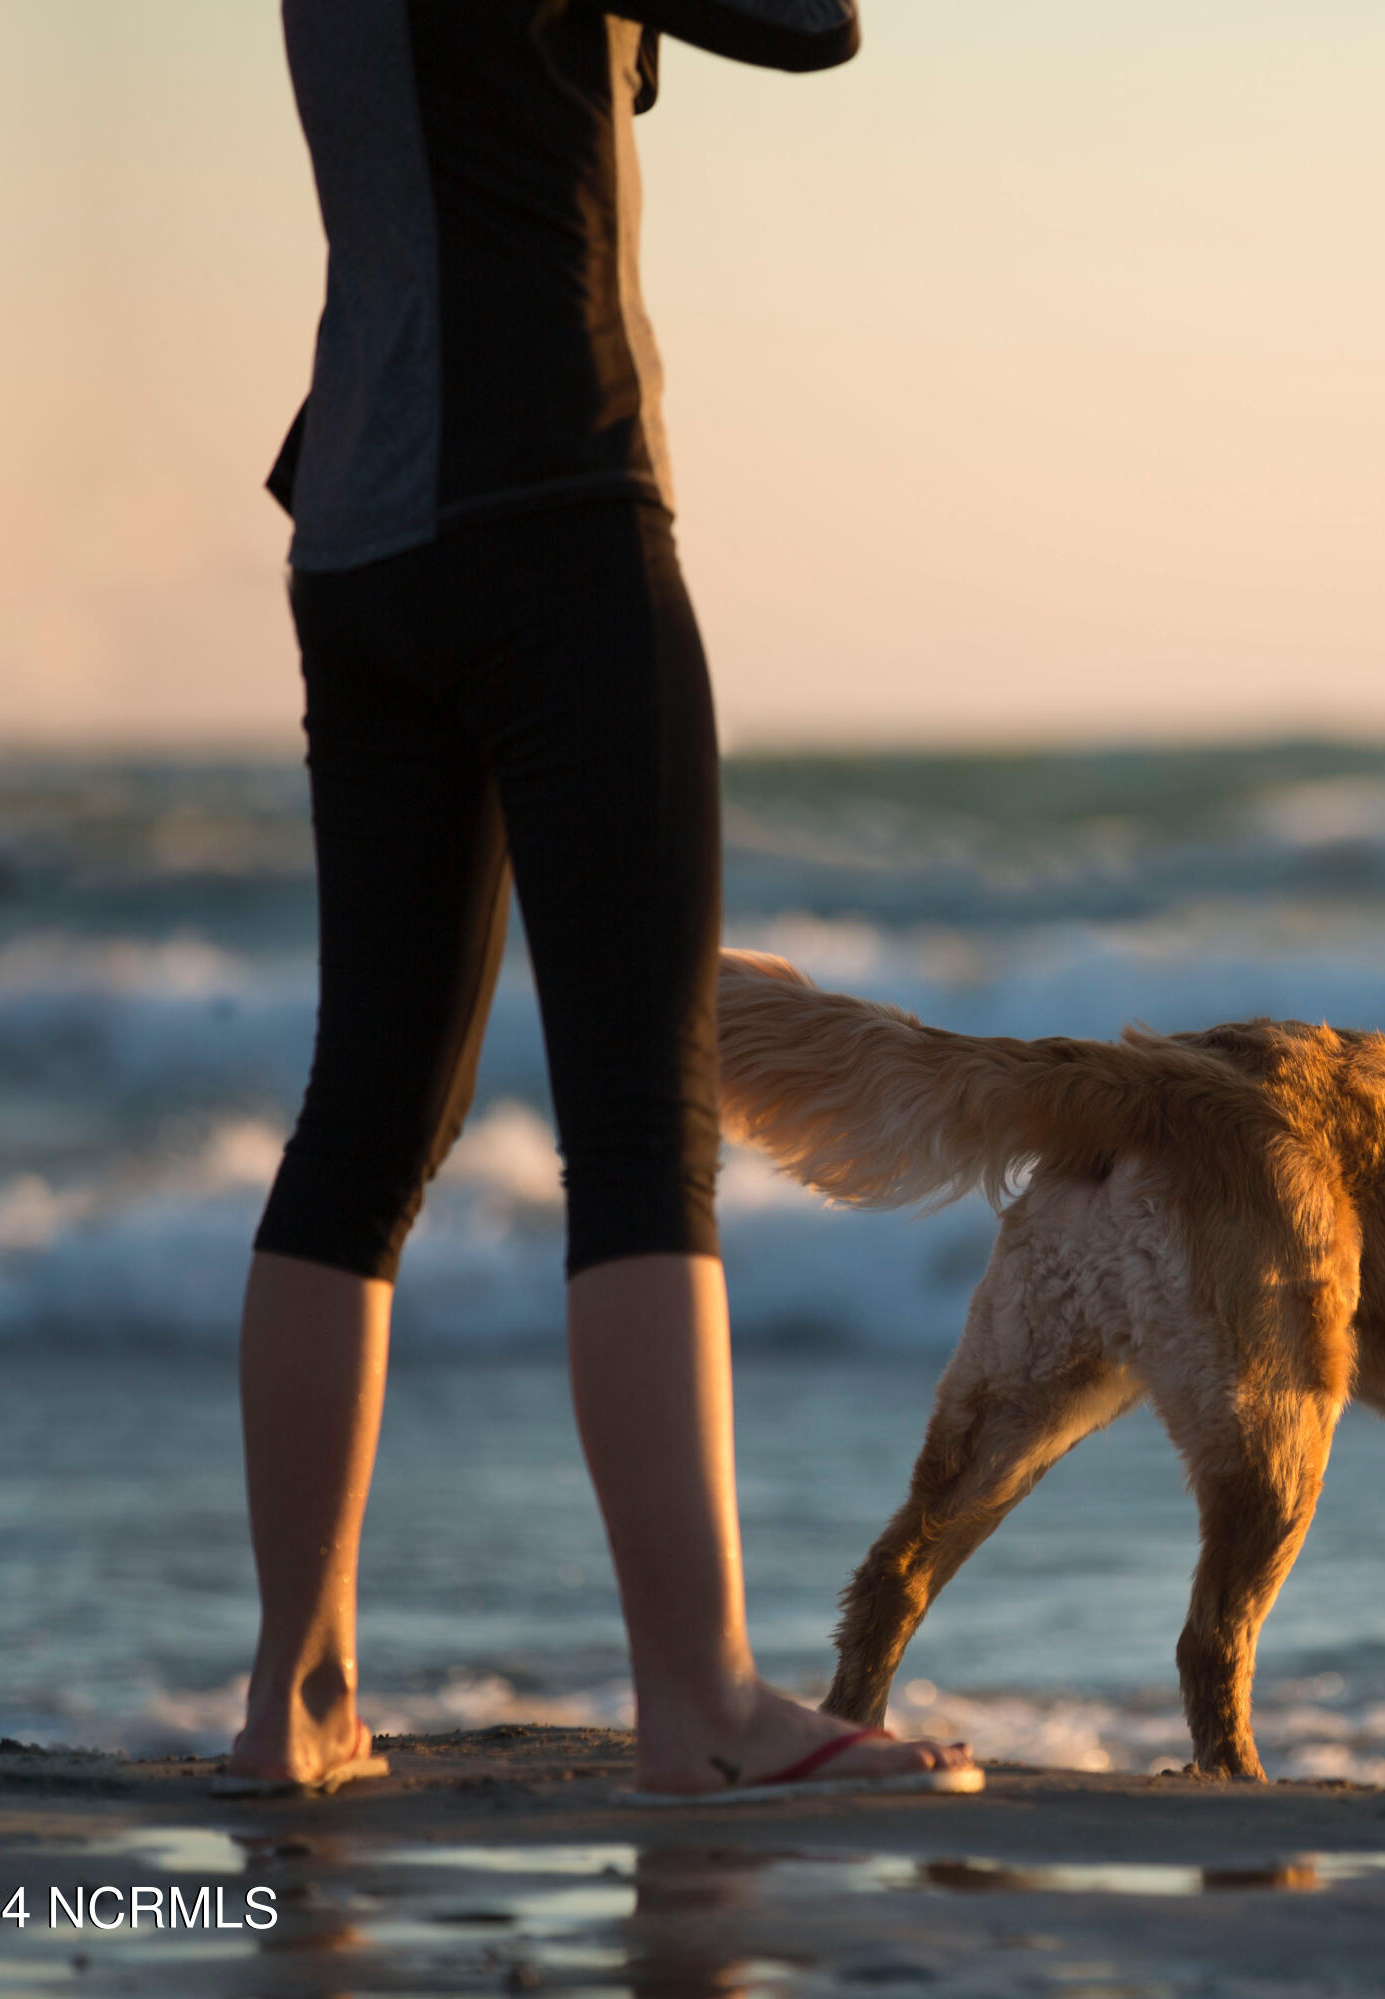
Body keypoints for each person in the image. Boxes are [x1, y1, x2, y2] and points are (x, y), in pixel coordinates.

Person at [222, 0, 975, 1801]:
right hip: (551, 500)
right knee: (640, 1130)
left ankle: (296, 1703)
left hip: (358, 527)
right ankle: (704, 1705)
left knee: (364, 1122)